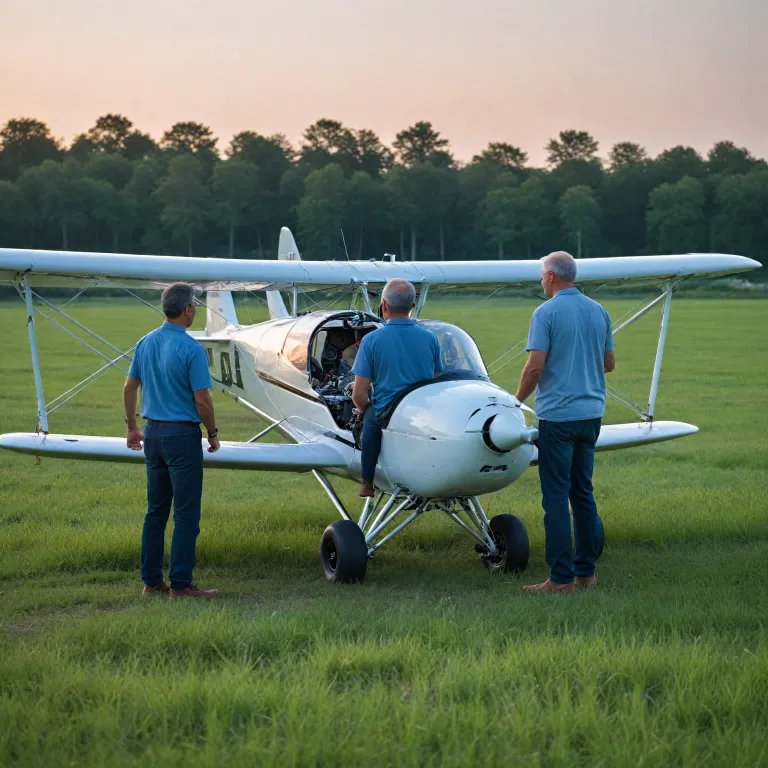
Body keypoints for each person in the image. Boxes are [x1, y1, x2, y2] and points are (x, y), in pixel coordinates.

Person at [514, 252, 615, 594]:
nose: (542, 280)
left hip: (557, 418)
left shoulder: (545, 313)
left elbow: (535, 367)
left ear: (553, 277)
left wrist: (515, 401)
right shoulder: (599, 311)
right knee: (582, 493)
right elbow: (609, 363)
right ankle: (586, 572)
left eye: (543, 275)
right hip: (591, 416)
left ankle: (560, 579)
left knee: (555, 497)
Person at [123, 282, 221, 599]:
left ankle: (151, 583)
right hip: (182, 437)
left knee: (156, 512)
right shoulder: (192, 349)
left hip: (151, 433)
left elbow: (128, 389)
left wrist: (131, 428)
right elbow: (203, 402)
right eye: (195, 306)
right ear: (188, 310)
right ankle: (180, 585)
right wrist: (213, 433)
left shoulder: (145, 342)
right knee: (186, 514)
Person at [351, 279, 443, 498]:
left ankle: (367, 480)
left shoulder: (371, 340)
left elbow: (358, 394)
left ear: (383, 305)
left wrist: (364, 410)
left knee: (370, 418)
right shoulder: (430, 338)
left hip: (388, 411)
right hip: (422, 410)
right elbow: (437, 379)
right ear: (412, 306)